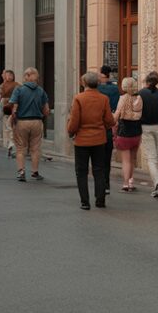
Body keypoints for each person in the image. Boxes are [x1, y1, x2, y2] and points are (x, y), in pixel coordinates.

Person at [67, 72, 116, 210]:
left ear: (84, 83)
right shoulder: (103, 99)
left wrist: (71, 132)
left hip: (82, 139)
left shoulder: (79, 99)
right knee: (99, 169)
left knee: (81, 171)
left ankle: (85, 201)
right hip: (99, 139)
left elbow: (74, 121)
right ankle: (100, 200)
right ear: (98, 83)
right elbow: (109, 120)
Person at [9, 68, 51, 182]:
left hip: (22, 121)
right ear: (36, 77)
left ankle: (21, 172)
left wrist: (13, 119)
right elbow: (46, 110)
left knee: (20, 148)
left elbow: (14, 108)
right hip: (37, 121)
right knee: (35, 148)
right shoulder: (41, 91)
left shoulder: (19, 90)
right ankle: (35, 172)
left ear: (25, 76)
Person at [138, 71, 158, 198]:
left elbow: (137, 109)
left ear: (147, 81)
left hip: (145, 126)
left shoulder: (141, 94)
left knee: (151, 157)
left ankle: (157, 182)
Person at [113, 76, 144, 192]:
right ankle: (131, 181)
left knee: (125, 160)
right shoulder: (139, 98)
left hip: (124, 131)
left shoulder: (123, 98)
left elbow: (117, 115)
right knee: (132, 159)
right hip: (136, 132)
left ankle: (126, 184)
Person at [97, 65, 120, 196]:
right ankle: (106, 184)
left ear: (101, 74)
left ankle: (100, 184)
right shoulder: (114, 89)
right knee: (107, 158)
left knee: (97, 159)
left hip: (98, 124)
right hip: (109, 122)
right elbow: (115, 107)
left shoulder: (98, 89)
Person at [0, 70, 20, 158]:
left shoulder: (16, 85)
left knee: (10, 127)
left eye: (9, 75)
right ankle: (10, 145)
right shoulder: (3, 85)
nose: (7, 76)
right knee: (8, 127)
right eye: (6, 75)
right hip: (6, 107)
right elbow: (2, 94)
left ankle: (11, 145)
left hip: (12, 106)